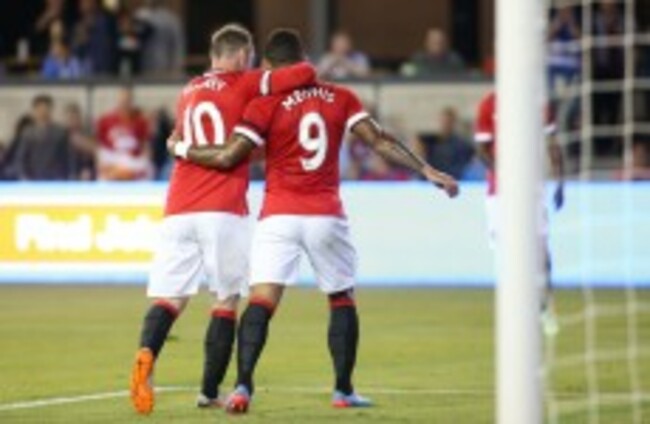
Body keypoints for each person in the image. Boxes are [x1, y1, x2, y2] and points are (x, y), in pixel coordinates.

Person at [168, 28, 458, 414]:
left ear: (268, 65)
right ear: (303, 58)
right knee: (341, 297)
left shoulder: (265, 104)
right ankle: (343, 390)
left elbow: (229, 155)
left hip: (278, 216)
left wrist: (181, 147)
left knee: (261, 301)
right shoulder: (341, 96)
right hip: (325, 214)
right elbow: (379, 140)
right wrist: (426, 169)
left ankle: (241, 388)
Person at [128, 24, 316, 415]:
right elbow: (302, 74)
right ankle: (209, 391)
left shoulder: (189, 90)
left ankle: (146, 352)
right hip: (222, 207)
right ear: (240, 55)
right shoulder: (245, 82)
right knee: (226, 300)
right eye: (250, 57)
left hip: (178, 207)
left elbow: (184, 142)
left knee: (171, 297)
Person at [474, 90, 565, 336]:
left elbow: (552, 142)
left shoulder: (539, 102)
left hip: (532, 190)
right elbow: (481, 149)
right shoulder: (489, 104)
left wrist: (560, 182)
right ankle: (515, 312)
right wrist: (505, 175)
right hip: (499, 193)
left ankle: (546, 308)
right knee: (507, 253)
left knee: (541, 251)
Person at [14, 95, 75, 180]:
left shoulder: (60, 132)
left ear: (51, 110)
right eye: (40, 110)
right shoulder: (27, 134)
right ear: (34, 111)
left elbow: (69, 157)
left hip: (56, 179)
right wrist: (24, 177)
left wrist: (70, 175)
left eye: (46, 110)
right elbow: (21, 158)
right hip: (33, 179)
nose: (43, 113)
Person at [96, 88, 152, 181]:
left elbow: (145, 145)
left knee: (147, 168)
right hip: (113, 158)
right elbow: (101, 148)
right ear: (118, 101)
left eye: (127, 101)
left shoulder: (140, 121)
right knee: (104, 167)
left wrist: (144, 161)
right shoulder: (106, 120)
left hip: (132, 160)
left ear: (131, 102)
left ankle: (124, 174)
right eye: (122, 101)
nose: (124, 104)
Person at [416, 107, 474, 180]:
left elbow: (463, 166)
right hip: (431, 178)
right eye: (443, 121)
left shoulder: (462, 145)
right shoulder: (431, 141)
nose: (445, 124)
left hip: (452, 178)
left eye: (448, 122)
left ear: (453, 122)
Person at [135, 0, 185, 76]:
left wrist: (176, 67)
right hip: (142, 65)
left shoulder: (171, 19)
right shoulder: (139, 15)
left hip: (163, 65)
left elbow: (178, 45)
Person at [72, 0, 117, 75]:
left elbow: (109, 52)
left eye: (86, 1)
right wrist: (80, 43)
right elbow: (76, 56)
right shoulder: (78, 27)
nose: (83, 4)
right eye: (81, 2)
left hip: (105, 74)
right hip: (84, 75)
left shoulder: (107, 23)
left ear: (95, 3)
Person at [64, 103, 96, 180]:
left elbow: (94, 156)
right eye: (69, 118)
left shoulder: (88, 135)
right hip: (66, 175)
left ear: (79, 118)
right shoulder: (62, 136)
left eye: (75, 118)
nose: (72, 121)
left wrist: (88, 170)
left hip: (85, 174)